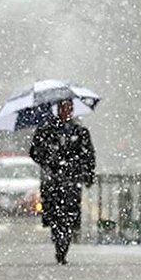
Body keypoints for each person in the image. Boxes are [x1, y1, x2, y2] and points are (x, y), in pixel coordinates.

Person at [29, 99, 95, 265]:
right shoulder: (46, 131)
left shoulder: (80, 132)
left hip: (71, 182)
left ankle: (63, 246)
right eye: (64, 108)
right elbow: (35, 152)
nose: (67, 112)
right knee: (55, 216)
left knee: (69, 215)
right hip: (53, 181)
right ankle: (59, 240)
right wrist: (49, 158)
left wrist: (86, 174)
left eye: (70, 108)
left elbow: (88, 156)